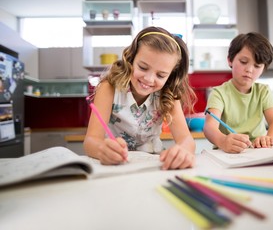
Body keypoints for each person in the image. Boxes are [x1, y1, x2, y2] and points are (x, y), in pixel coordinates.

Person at [83, 26, 197, 170]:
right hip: (114, 165)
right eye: (143, 67)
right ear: (130, 59)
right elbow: (91, 140)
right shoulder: (109, 87)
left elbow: (187, 140)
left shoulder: (168, 94)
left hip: (153, 165)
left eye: (160, 75)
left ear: (170, 76)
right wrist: (101, 149)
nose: (149, 79)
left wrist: (183, 151)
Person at [203, 32, 273, 153]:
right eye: (243, 62)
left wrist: (269, 139)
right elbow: (209, 127)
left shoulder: (263, 91)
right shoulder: (218, 93)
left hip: (258, 152)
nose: (249, 70)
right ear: (230, 60)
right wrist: (223, 141)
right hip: (227, 153)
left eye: (257, 66)